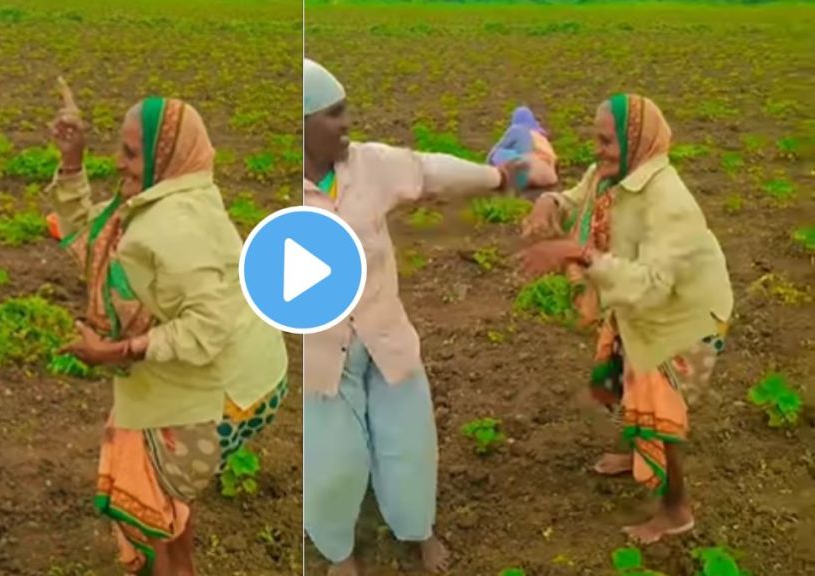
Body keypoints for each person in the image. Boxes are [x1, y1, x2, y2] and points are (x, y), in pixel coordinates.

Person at [47, 77, 289, 576]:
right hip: (232, 374)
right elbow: (92, 244)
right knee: (168, 503)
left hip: (222, 393)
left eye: (131, 154)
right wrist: (72, 162)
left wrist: (112, 352)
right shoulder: (170, 197)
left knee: (153, 498)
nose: (119, 163)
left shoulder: (172, 225)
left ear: (166, 155)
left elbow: (206, 329)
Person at [301, 58, 525, 576]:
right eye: (334, 114)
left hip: (385, 333)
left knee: (409, 440)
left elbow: (427, 172)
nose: (346, 123)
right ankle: (342, 552)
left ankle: (418, 529)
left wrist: (496, 177)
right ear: (303, 125)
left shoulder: (368, 165)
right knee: (332, 461)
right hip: (323, 352)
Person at [520, 93, 733, 544]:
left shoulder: (669, 198)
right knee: (627, 372)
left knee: (660, 406)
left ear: (637, 141)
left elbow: (654, 285)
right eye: (597, 139)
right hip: (642, 306)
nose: (597, 150)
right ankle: (635, 449)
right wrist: (550, 205)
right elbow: (576, 200)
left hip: (685, 319)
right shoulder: (610, 175)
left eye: (606, 141)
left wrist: (578, 252)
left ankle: (677, 510)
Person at [487, 105, 558, 189]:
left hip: (528, 169)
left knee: (498, 154)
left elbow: (494, 153)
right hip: (549, 175)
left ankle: (492, 174)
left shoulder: (519, 130)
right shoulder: (542, 138)